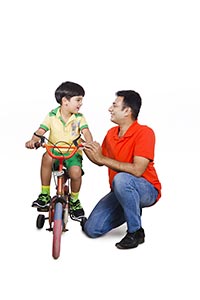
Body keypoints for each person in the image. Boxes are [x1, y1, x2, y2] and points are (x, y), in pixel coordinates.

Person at [81, 90, 161, 249]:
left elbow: (138, 170)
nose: (110, 109)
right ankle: (130, 208)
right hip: (120, 190)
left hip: (147, 189)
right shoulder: (111, 133)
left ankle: (135, 232)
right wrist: (82, 145)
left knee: (122, 179)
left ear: (127, 111)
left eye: (114, 105)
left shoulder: (145, 132)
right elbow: (99, 160)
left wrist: (102, 158)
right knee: (91, 229)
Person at [25, 81, 93, 219]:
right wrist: (33, 141)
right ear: (65, 101)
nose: (81, 103)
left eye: (81, 100)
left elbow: (86, 131)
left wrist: (90, 143)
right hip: (54, 151)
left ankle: (74, 200)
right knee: (46, 158)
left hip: (73, 153)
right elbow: (41, 130)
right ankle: (44, 194)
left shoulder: (79, 118)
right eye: (78, 100)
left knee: (75, 173)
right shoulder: (51, 115)